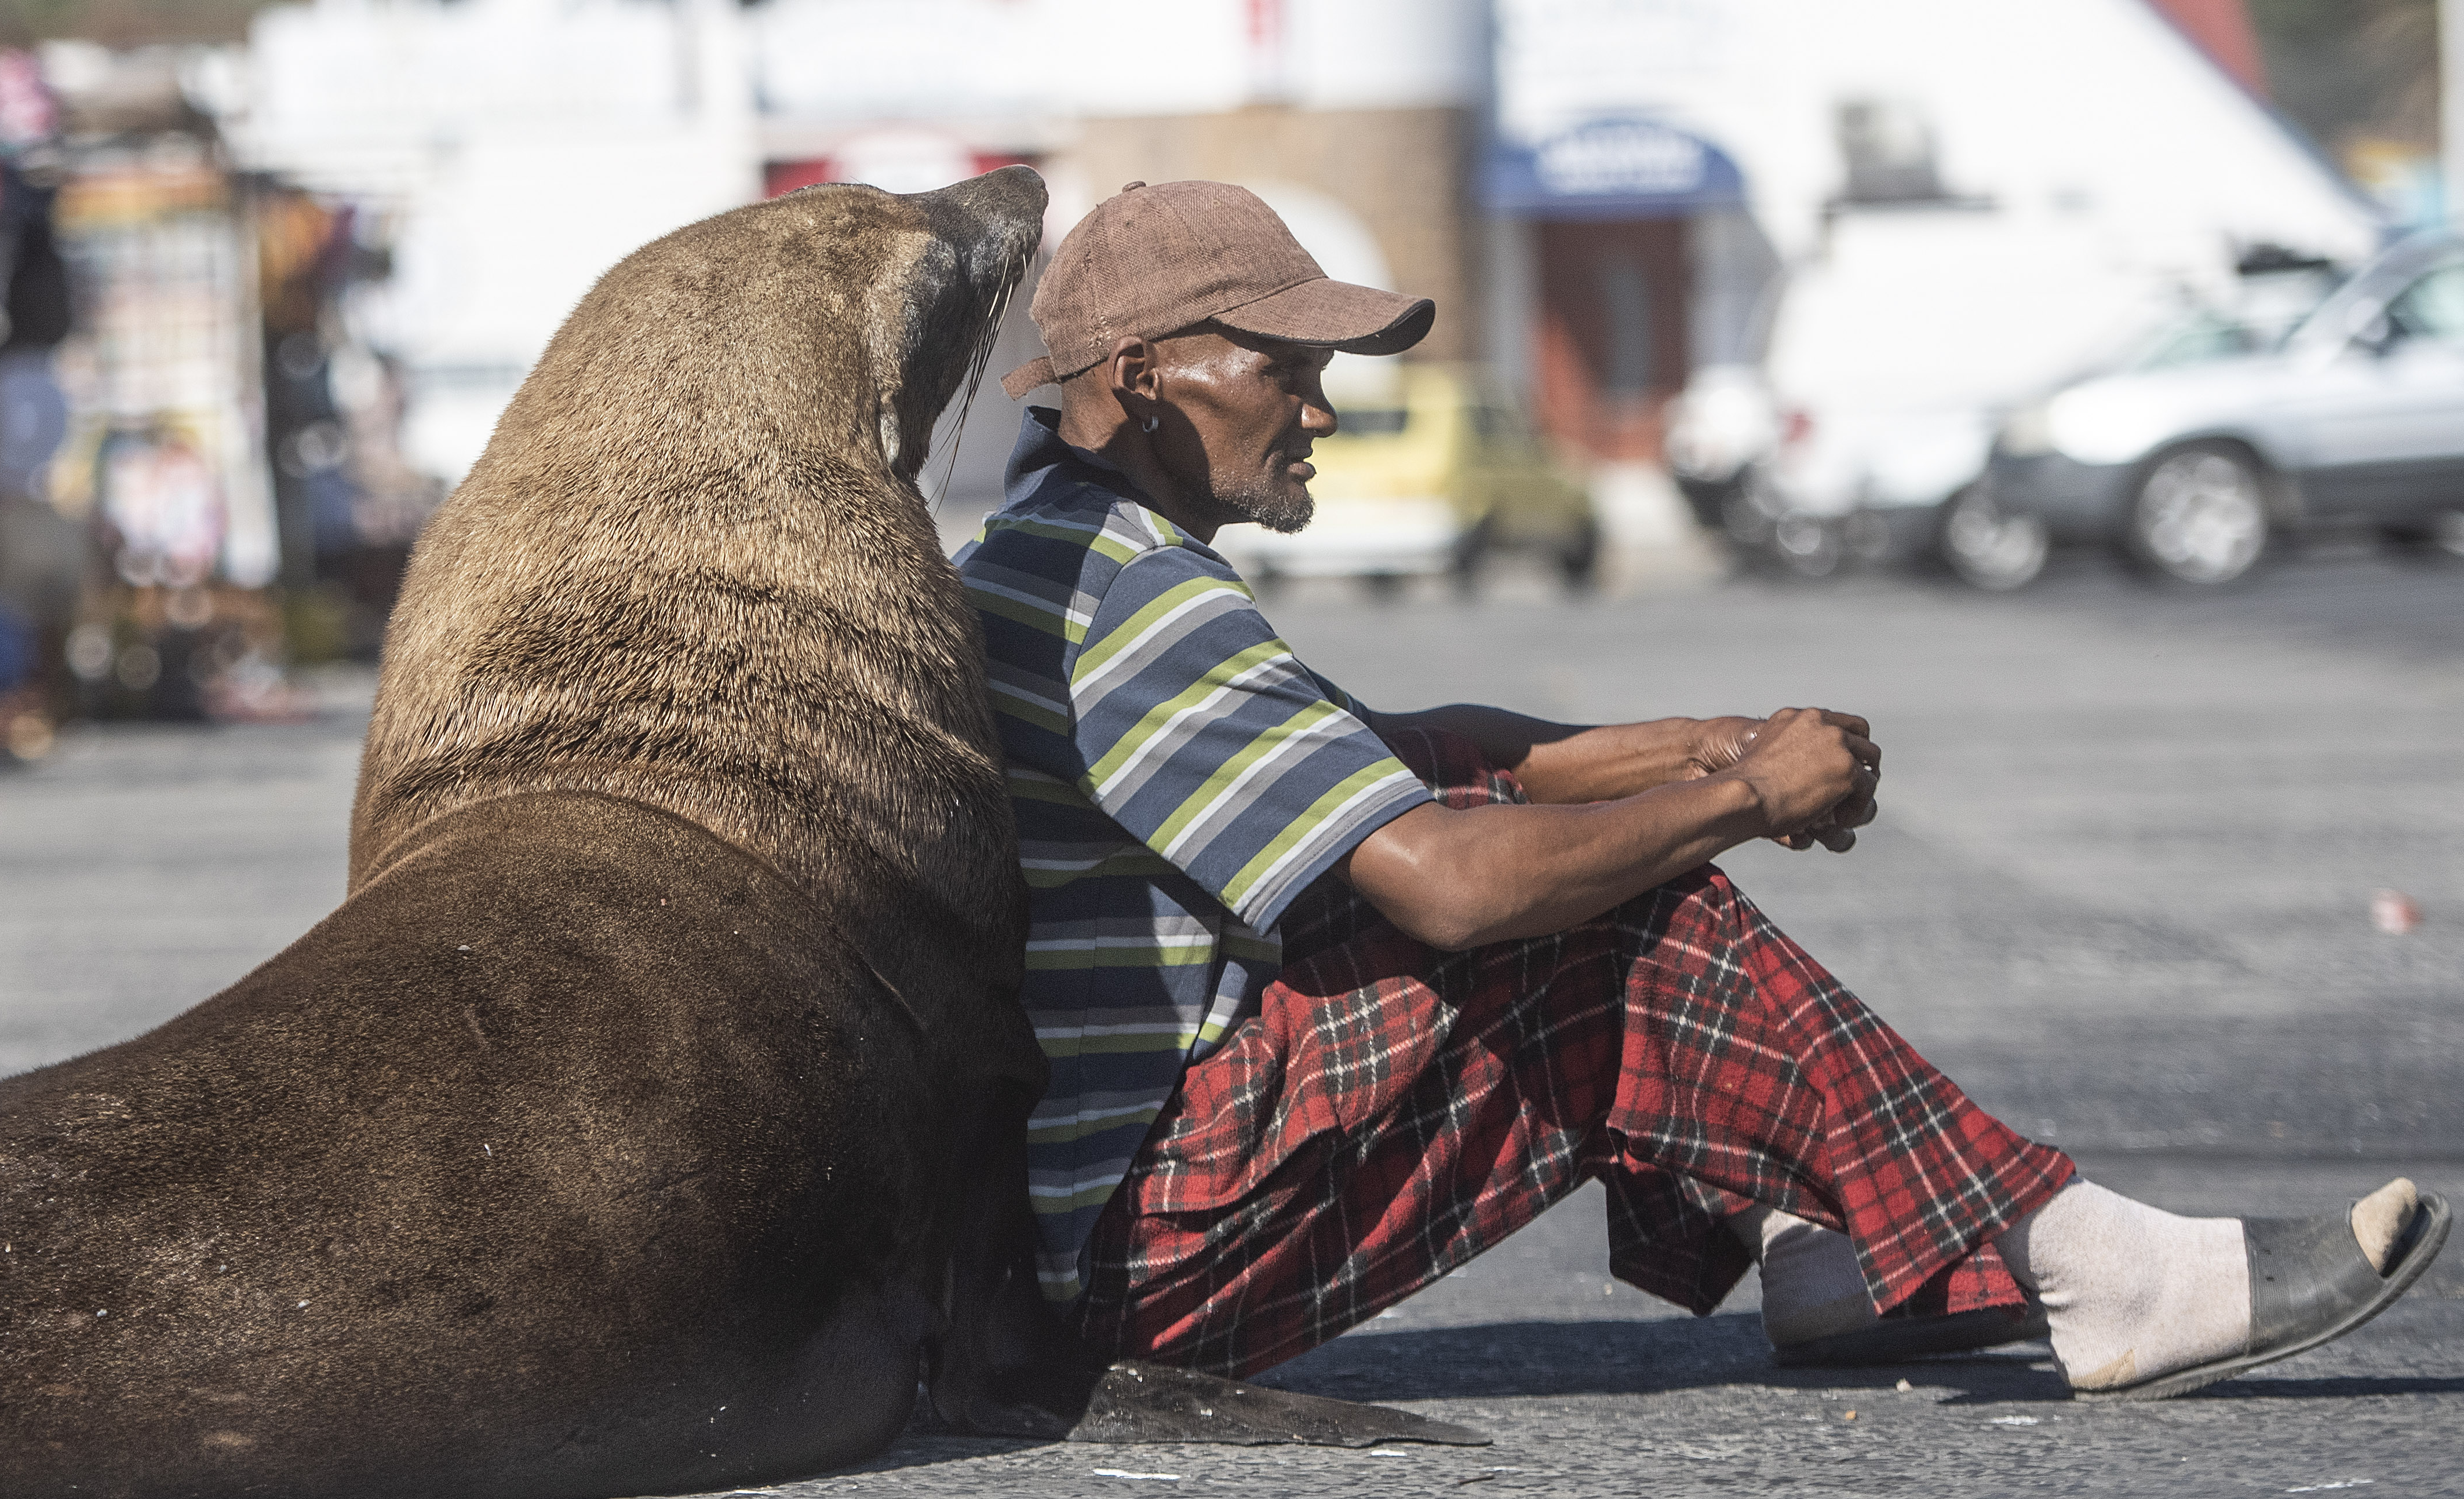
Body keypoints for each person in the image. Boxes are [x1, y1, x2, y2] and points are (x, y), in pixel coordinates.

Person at [954, 180, 2447, 1399]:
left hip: (1102, 1219)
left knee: (1584, 855)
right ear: (1144, 379)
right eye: (1281, 372)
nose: (1321, 414)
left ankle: (1828, 1246)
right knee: (1612, 919)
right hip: (1151, 1256)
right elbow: (1452, 888)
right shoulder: (1137, 605)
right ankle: (2091, 1268)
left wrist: (1686, 747)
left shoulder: (1044, 552)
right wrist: (1734, 803)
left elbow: (1384, 748)